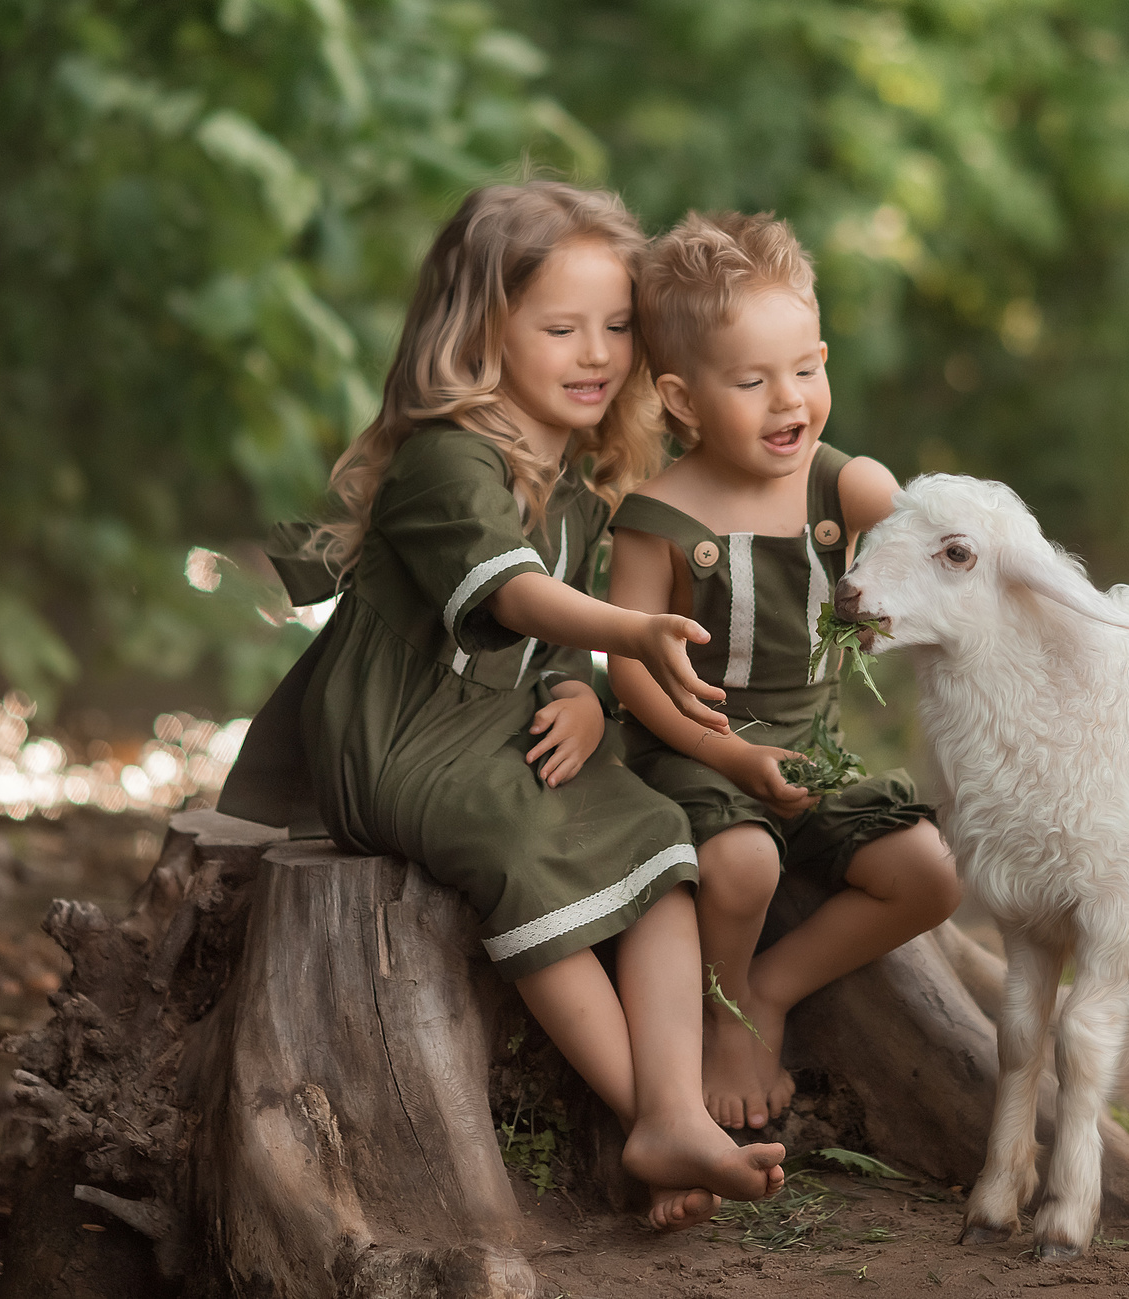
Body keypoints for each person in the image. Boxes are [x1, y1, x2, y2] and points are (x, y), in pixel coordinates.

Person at [216, 182, 784, 1227]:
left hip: (493, 719)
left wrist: (576, 686)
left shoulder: (576, 465)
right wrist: (622, 640)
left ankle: (669, 1109)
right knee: (527, 854)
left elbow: (548, 630)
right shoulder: (446, 458)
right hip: (397, 739)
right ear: (480, 333)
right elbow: (514, 595)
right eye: (560, 327)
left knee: (658, 838)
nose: (595, 354)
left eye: (616, 327)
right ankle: (643, 1117)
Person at [606, 212, 962, 1132]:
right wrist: (722, 756)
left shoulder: (840, 488)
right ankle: (727, 1020)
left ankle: (770, 987)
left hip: (813, 751)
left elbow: (943, 555)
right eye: (752, 381)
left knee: (930, 874)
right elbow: (632, 668)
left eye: (806, 369)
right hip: (693, 753)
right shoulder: (660, 514)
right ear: (682, 400)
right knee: (742, 859)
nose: (789, 401)